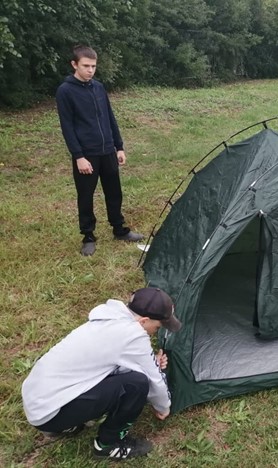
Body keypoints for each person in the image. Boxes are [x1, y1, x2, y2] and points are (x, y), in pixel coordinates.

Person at [22, 287, 182, 460]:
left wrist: (148, 362)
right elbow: (154, 381)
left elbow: (111, 362)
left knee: (128, 377)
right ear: (143, 321)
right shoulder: (133, 335)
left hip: (38, 400)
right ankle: (108, 445)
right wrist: (163, 406)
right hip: (50, 413)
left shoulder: (110, 318)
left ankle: (65, 425)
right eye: (157, 327)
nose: (156, 331)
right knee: (137, 383)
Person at [56, 45, 143, 256]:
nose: (90, 70)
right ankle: (88, 236)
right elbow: (67, 127)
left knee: (114, 192)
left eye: (93, 66)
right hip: (87, 154)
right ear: (74, 64)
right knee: (85, 195)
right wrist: (79, 156)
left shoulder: (98, 87)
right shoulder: (65, 91)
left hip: (107, 151)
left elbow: (110, 118)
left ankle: (119, 230)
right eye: (86, 66)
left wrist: (119, 146)